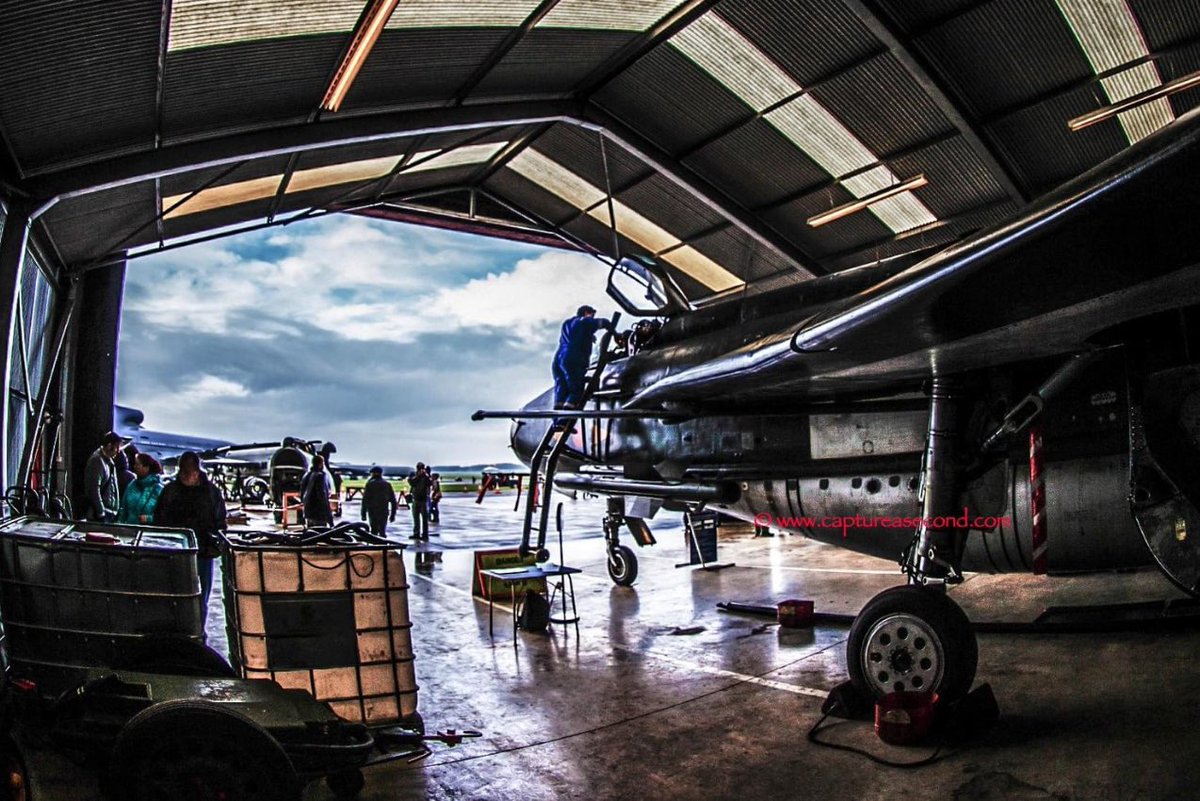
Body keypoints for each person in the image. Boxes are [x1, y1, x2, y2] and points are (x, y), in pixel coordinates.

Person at [156, 451, 226, 624]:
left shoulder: (175, 491)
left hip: (198, 551)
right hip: (182, 551)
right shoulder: (207, 492)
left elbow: (219, 522)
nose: (187, 477)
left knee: (199, 597)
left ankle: (197, 629)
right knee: (186, 596)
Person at [552, 305, 612, 411]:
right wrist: (615, 332)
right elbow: (604, 322)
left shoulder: (567, 323)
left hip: (558, 359)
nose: (593, 316)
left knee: (562, 389)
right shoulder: (584, 321)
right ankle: (567, 416)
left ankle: (558, 422)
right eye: (592, 314)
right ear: (586, 313)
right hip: (573, 358)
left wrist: (589, 335)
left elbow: (575, 335)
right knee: (576, 390)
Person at [83, 431, 129, 522]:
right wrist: (101, 512)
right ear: (109, 446)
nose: (118, 451)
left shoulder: (108, 461)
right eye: (116, 447)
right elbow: (94, 489)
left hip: (109, 512)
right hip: (101, 513)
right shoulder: (97, 461)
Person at [118, 453, 164, 524]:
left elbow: (163, 515)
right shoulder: (132, 485)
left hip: (147, 531)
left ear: (146, 468)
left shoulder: (158, 489)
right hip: (129, 529)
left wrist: (149, 519)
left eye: (137, 464)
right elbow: (123, 508)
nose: (134, 467)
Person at [361, 466, 397, 537]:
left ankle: (375, 547)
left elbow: (365, 500)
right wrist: (393, 514)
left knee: (373, 532)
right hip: (383, 511)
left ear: (373, 474)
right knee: (382, 531)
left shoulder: (370, 484)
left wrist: (363, 513)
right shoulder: (387, 484)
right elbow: (393, 501)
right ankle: (383, 546)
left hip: (372, 511)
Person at [301, 454, 334, 528]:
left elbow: (302, 494)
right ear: (321, 464)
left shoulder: (306, 475)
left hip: (308, 513)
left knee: (311, 535)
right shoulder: (321, 476)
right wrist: (329, 517)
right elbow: (322, 497)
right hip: (319, 513)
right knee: (320, 535)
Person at [409, 462, 431, 541]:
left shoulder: (426, 476)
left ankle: (425, 534)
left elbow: (430, 483)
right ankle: (416, 533)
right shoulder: (414, 475)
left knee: (424, 518)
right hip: (415, 499)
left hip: (423, 499)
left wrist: (426, 475)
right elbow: (411, 483)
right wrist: (418, 476)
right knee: (416, 518)